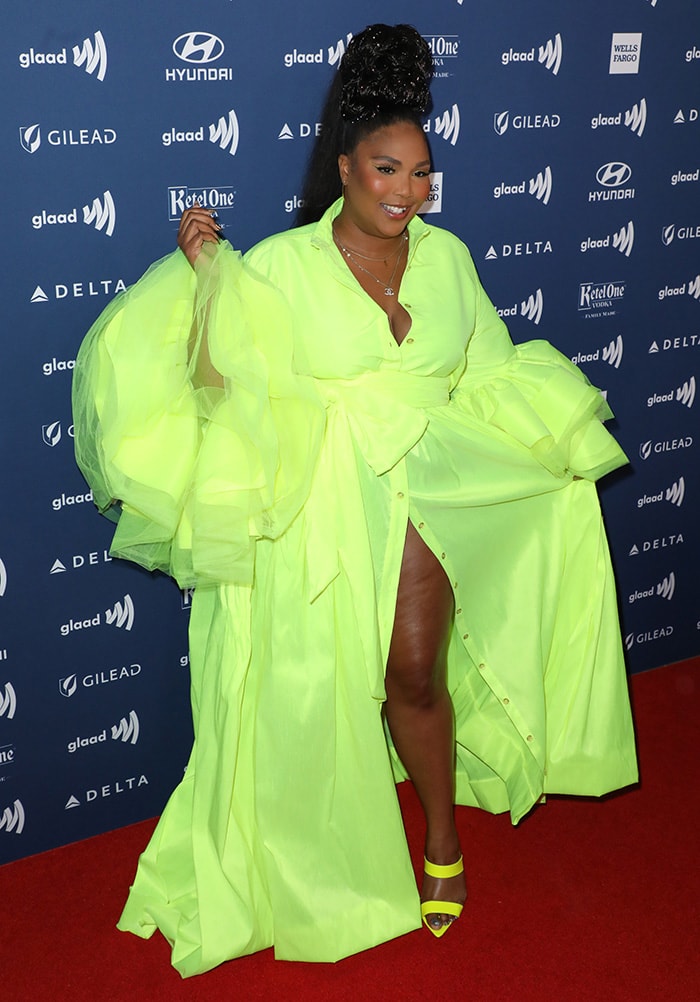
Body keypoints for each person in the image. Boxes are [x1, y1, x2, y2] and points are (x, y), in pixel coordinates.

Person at [73, 24, 638, 978]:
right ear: (345, 168)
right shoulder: (285, 266)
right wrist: (212, 282)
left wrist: (554, 446)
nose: (406, 192)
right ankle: (321, 846)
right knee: (323, 690)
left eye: (421, 174)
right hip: (324, 501)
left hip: (430, 487)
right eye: (386, 170)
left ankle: (443, 838)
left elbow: (487, 370)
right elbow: (223, 387)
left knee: (413, 669)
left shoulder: (450, 259)